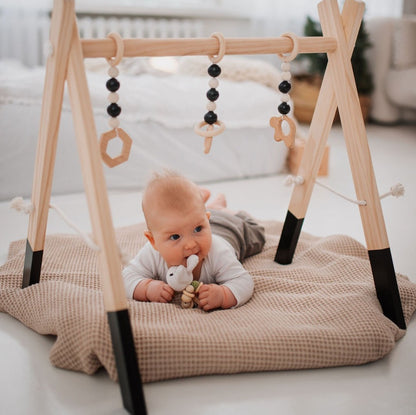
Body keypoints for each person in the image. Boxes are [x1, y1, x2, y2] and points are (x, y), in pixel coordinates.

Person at [122, 170, 265, 311]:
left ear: (206, 222)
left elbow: (244, 281)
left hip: (229, 228)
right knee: (196, 215)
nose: (190, 244)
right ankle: (211, 207)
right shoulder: (151, 254)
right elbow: (125, 278)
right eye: (175, 237)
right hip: (202, 217)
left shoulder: (219, 252)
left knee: (257, 232)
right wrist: (146, 288)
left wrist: (223, 295)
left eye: (198, 229)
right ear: (153, 241)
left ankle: (220, 209)